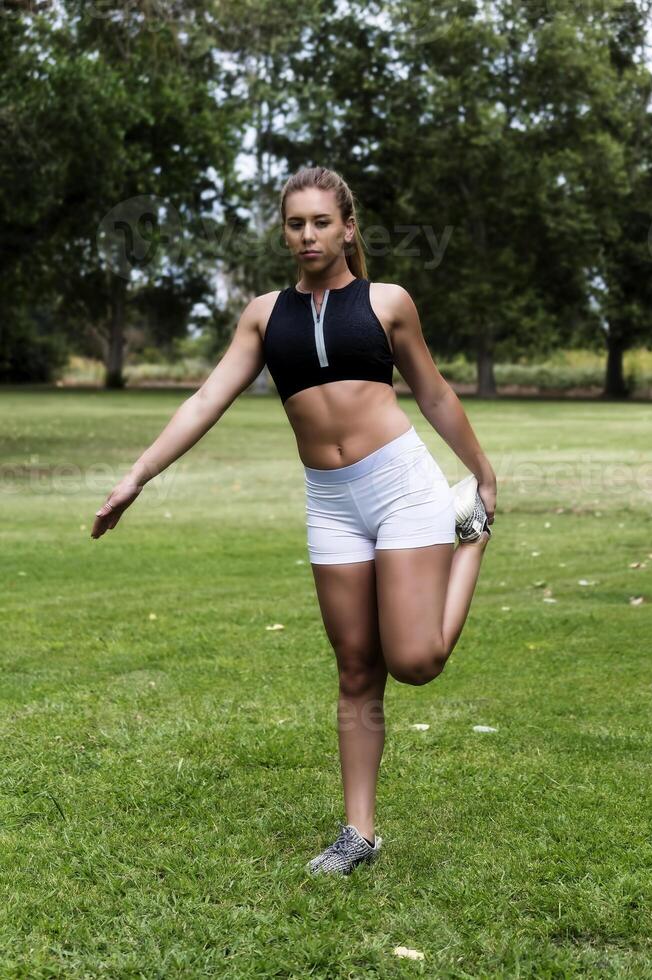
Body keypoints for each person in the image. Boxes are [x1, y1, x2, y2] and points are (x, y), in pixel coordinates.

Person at [91, 165, 496, 877]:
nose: (307, 235)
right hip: (331, 502)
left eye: (320, 222)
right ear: (285, 230)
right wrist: (136, 477)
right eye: (294, 223)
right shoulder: (262, 313)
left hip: (402, 486)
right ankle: (359, 833)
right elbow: (205, 400)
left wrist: (483, 473)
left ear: (347, 227)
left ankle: (473, 537)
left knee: (417, 662)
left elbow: (432, 395)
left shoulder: (387, 303)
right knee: (355, 669)